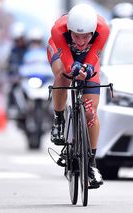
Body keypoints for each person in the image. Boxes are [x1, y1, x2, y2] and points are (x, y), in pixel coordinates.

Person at [46, 4, 109, 188]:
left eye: (86, 36)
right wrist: (73, 68)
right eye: (76, 36)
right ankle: (58, 119)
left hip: (88, 56)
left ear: (94, 31)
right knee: (64, 74)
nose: (81, 41)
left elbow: (93, 58)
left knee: (90, 113)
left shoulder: (103, 28)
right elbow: (67, 64)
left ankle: (91, 164)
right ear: (69, 30)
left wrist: (88, 69)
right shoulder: (58, 29)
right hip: (61, 50)